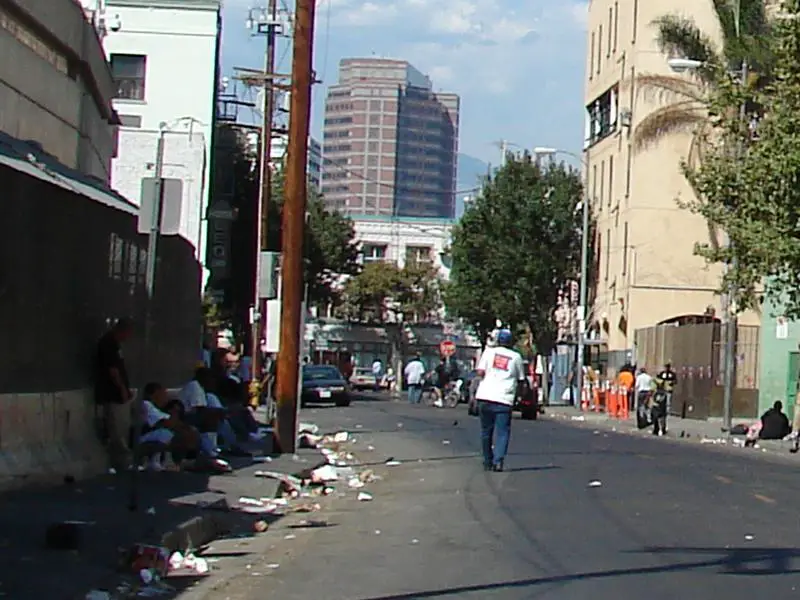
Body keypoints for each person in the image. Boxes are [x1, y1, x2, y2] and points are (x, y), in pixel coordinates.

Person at [475, 329, 527, 472]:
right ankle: (498, 461)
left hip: (485, 396)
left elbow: (480, 372)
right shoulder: (516, 357)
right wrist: (519, 395)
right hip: (504, 398)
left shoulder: (488, 352)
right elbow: (521, 379)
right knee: (502, 432)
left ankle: (487, 460)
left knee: (486, 431)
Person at [94, 317, 134, 471]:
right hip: (112, 393)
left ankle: (121, 462)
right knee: (116, 429)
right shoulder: (108, 344)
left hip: (117, 393)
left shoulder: (115, 344)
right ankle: (119, 463)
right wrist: (122, 389)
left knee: (121, 427)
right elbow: (113, 370)